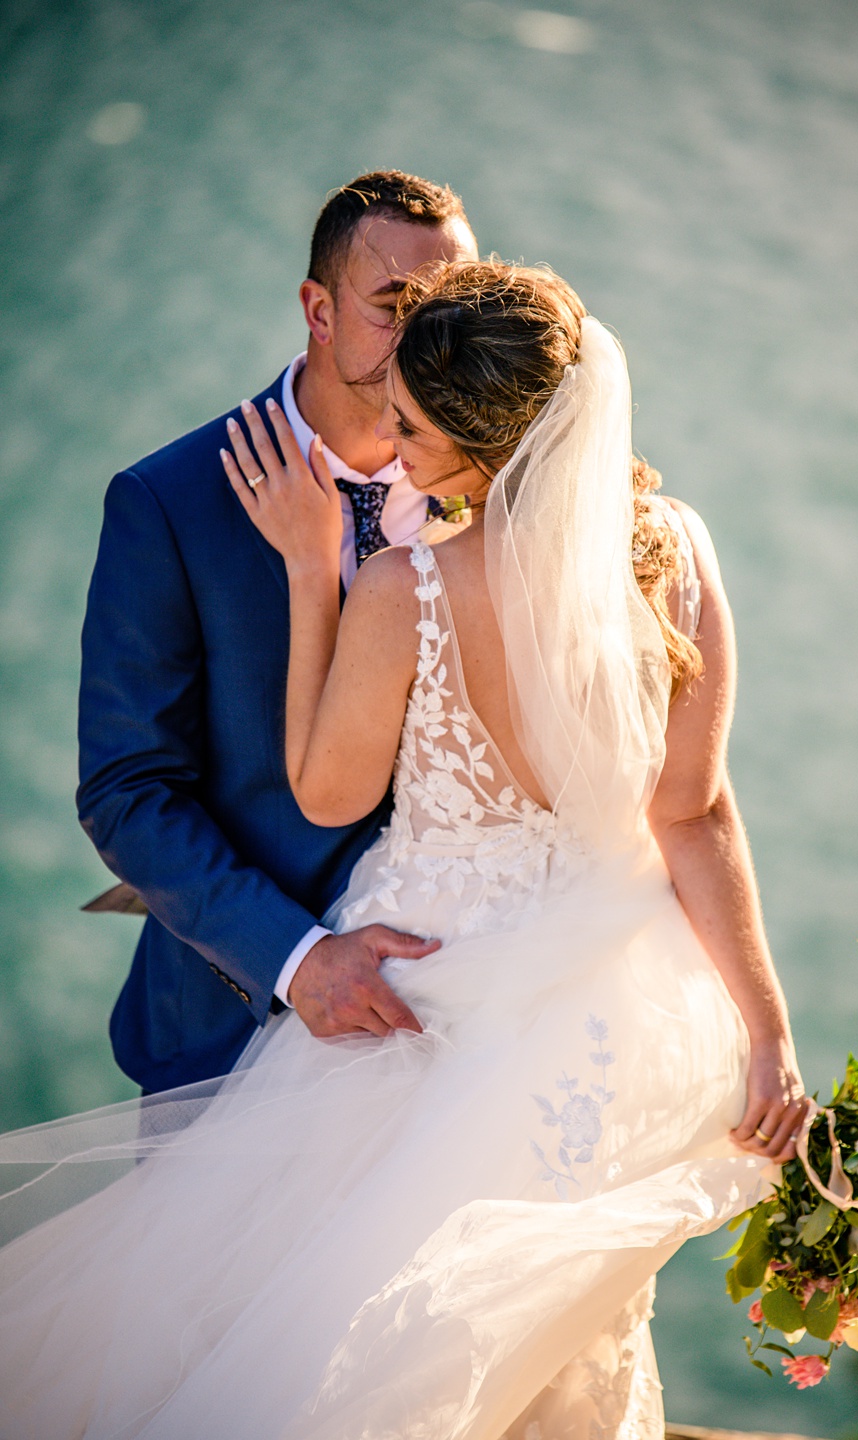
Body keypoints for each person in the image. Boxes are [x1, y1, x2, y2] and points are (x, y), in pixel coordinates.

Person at [0, 262, 805, 1439]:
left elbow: (328, 795)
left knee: (308, 1334)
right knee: (534, 1341)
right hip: (599, 1028)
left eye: (417, 425)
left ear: (489, 441)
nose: (393, 437)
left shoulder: (408, 582)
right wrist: (769, 1032)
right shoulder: (677, 553)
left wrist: (309, 571)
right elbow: (694, 814)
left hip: (417, 995)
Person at [76, 170, 479, 1093]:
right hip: (237, 1014)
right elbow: (128, 791)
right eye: (395, 306)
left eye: (451, 306)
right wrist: (297, 960)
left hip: (456, 1010)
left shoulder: (498, 490)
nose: (432, 342)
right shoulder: (170, 503)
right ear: (319, 309)